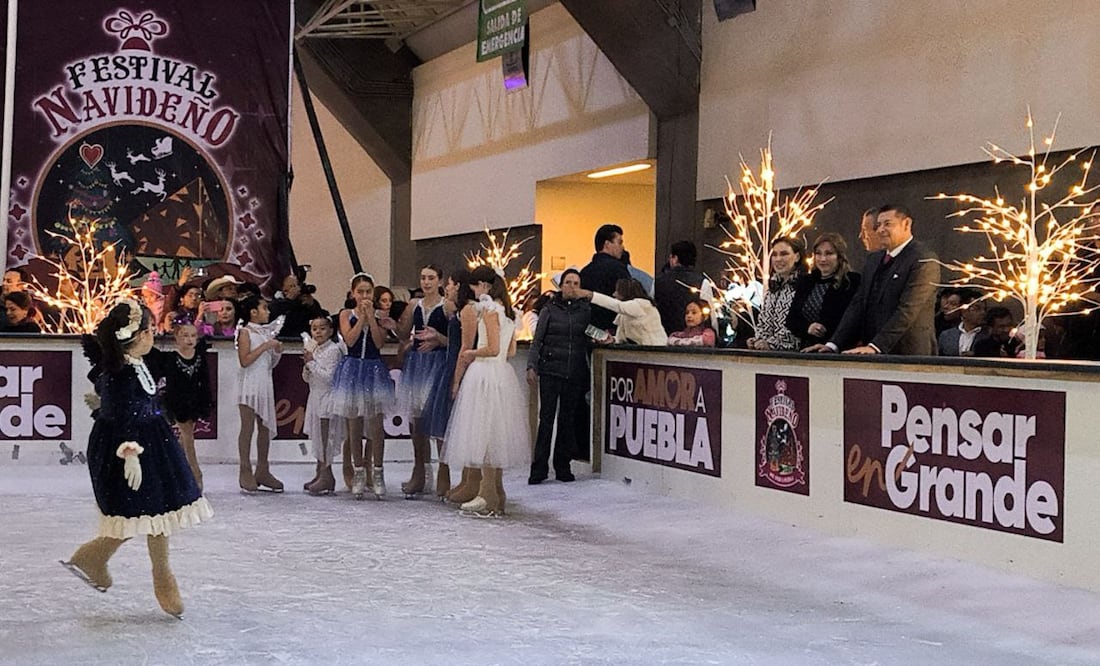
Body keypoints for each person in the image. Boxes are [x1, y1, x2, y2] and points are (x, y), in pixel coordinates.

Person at [62, 299, 212, 618]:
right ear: (136, 335)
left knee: (155, 511)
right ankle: (124, 566)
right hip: (127, 446)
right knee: (137, 512)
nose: (152, 336)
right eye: (148, 330)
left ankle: (139, 571)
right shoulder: (121, 374)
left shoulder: (131, 363)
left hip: (150, 440)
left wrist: (103, 404)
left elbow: (118, 398)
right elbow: (120, 412)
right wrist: (129, 452)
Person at [443, 266, 529, 516]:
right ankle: (496, 492)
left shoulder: (491, 311)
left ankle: (488, 493)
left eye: (475, 287)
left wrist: (471, 353)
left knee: (486, 435)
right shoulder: (510, 314)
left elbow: (491, 348)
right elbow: (509, 351)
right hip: (501, 373)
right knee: (495, 433)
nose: (473, 292)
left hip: (484, 373)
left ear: (484, 286)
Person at [808, 205, 940, 355]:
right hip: (871, 354)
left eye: (888, 224)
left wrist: (876, 347)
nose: (881, 230)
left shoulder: (923, 259)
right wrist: (833, 344)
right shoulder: (874, 259)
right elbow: (857, 305)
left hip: (908, 354)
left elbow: (908, 310)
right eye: (878, 225)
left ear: (907, 224)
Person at [330, 273, 394, 499]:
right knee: (354, 424)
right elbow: (349, 340)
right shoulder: (346, 314)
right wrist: (363, 319)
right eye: (361, 292)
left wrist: (373, 320)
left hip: (374, 369)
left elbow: (378, 342)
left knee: (376, 425)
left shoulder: (380, 316)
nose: (365, 296)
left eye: (368, 292)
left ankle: (377, 472)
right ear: (353, 293)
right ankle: (357, 471)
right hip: (352, 369)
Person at [526, 268, 590, 484]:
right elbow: (538, 340)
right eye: (568, 282)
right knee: (546, 419)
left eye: (576, 283)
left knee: (567, 420)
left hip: (574, 372)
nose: (572, 287)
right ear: (561, 285)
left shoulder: (585, 310)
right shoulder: (549, 309)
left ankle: (562, 465)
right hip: (551, 370)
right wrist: (531, 365)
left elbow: (589, 335)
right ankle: (539, 468)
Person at [395, 265, 450, 498]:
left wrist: (439, 338)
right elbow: (402, 332)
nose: (426, 282)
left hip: (438, 365)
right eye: (423, 278)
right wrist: (394, 327)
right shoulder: (413, 305)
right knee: (417, 423)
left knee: (437, 422)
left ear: (440, 281)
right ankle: (420, 472)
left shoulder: (448, 307)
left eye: (431, 278)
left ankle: (444, 475)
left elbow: (456, 340)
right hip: (417, 365)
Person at [422, 269, 475, 500]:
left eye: (452, 284)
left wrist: (457, 378)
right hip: (448, 366)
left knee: (461, 425)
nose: (448, 288)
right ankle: (445, 474)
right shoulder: (455, 311)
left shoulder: (467, 311)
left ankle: (467, 479)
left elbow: (465, 347)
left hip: (457, 368)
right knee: (441, 423)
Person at [145, 319, 213, 491]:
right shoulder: (170, 359)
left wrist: (206, 399)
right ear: (176, 337)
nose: (190, 339)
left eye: (193, 335)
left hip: (195, 400)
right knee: (187, 435)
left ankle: (179, 473)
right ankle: (195, 473)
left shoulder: (199, 356)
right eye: (185, 335)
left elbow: (204, 380)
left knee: (185, 438)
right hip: (178, 402)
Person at [235, 294, 285, 493]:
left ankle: (263, 469)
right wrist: (266, 346)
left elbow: (269, 364)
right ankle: (244, 470)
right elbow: (245, 360)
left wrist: (276, 351)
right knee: (248, 427)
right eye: (264, 308)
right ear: (253, 312)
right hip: (249, 384)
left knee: (264, 428)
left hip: (264, 384)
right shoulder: (245, 332)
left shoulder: (265, 333)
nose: (268, 311)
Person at [787, 233, 862, 349]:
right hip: (805, 348)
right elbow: (791, 319)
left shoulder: (851, 282)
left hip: (838, 349)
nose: (823, 259)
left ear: (839, 256)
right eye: (818, 253)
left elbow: (851, 320)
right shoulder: (806, 281)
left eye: (829, 253)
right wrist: (808, 327)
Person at [301, 315, 346, 496]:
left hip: (327, 399)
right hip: (315, 398)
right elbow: (307, 378)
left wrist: (311, 362)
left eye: (322, 328)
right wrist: (307, 365)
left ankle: (327, 474)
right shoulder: (316, 350)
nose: (318, 332)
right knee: (318, 437)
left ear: (331, 331)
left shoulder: (333, 350)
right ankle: (320, 471)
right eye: (315, 329)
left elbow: (329, 377)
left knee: (326, 437)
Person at [747, 236, 804, 351]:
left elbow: (797, 326)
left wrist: (771, 344)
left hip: (795, 357)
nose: (778, 259)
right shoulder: (772, 288)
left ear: (797, 257)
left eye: (784, 254)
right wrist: (757, 339)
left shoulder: (805, 286)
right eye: (775, 254)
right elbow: (763, 322)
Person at [578, 278, 667, 346]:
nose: (614, 294)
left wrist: (591, 295)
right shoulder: (625, 314)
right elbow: (621, 338)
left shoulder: (643, 304)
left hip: (656, 352)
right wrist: (612, 339)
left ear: (625, 292)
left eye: (617, 291)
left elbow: (617, 306)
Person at [579, 224, 631, 332]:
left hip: (590, 329)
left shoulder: (585, 271)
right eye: (619, 242)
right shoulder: (618, 269)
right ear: (607, 244)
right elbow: (628, 299)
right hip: (613, 328)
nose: (622, 247)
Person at [654, 240, 705, 335]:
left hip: (663, 338)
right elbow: (710, 316)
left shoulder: (657, 282)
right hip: (693, 339)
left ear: (675, 258)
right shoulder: (702, 282)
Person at [938, 288, 987, 356]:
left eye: (984, 309)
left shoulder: (987, 335)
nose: (982, 313)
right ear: (964, 311)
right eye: (977, 309)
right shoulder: (946, 335)